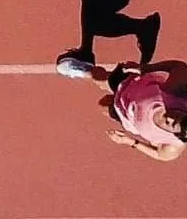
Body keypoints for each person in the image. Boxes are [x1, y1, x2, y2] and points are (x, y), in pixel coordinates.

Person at [57, 60, 187, 162]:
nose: (170, 118)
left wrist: (131, 142)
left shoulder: (173, 145)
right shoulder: (173, 92)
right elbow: (178, 66)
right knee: (100, 78)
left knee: (103, 105)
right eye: (178, 115)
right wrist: (145, 68)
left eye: (172, 124)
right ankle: (84, 70)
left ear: (178, 136)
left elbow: (160, 155)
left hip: (125, 113)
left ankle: (108, 93)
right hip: (129, 85)